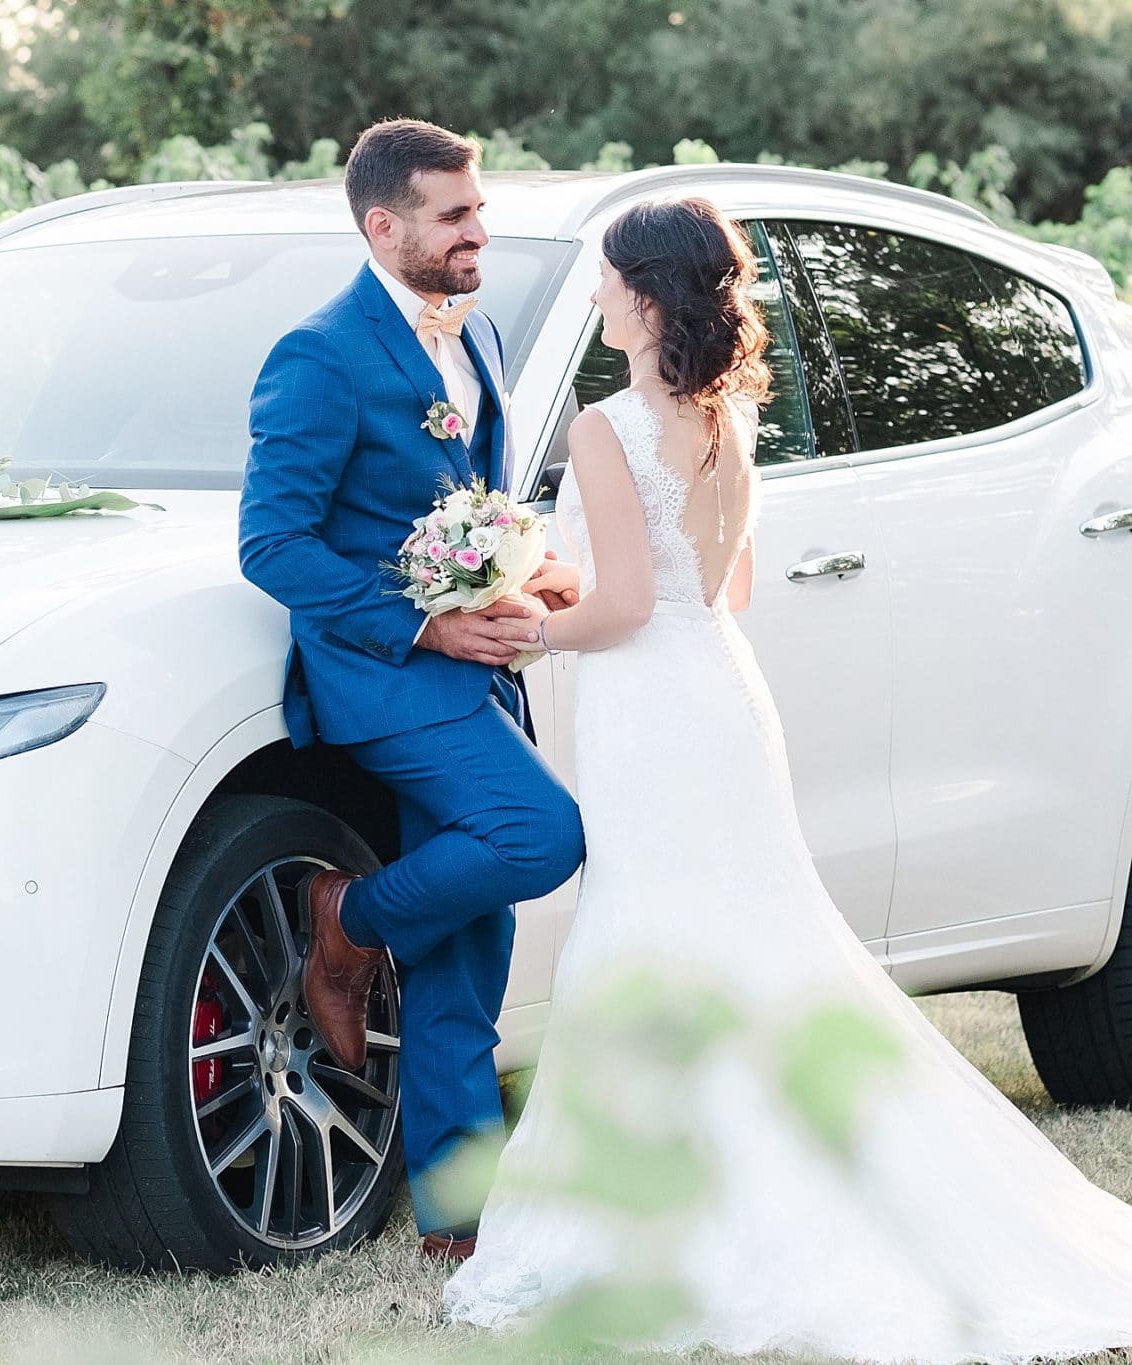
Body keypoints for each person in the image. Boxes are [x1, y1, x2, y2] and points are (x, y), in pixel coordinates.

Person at [441, 195, 1132, 1361]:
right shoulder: (728, 416)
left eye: (609, 280)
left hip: (653, 711)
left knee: (654, 940)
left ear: (647, 294)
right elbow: (721, 590)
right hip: (719, 690)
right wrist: (576, 589)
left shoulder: (609, 428)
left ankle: (663, 1217)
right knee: (751, 939)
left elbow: (619, 609)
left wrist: (518, 626)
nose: (601, 296)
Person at [238, 117, 586, 1258]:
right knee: (539, 834)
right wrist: (428, 626)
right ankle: (343, 920)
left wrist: (521, 584)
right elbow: (272, 546)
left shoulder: (471, 334)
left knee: (467, 948)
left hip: (473, 670)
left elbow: (462, 504)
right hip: (385, 677)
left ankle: (455, 1216)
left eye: (477, 208)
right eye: (455, 214)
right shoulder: (317, 354)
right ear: (383, 225)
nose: (478, 231)